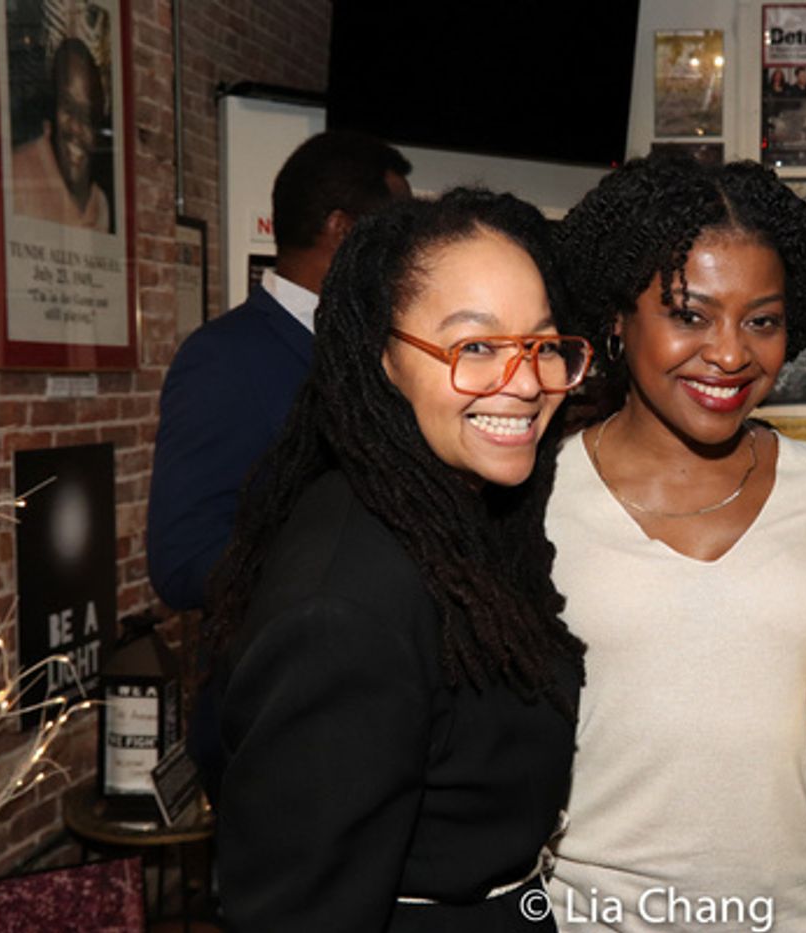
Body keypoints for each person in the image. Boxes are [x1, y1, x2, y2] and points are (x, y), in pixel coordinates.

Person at [208, 190, 591, 931]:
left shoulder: (457, 516)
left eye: (541, 344)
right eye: (475, 346)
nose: (524, 380)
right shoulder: (342, 610)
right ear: (381, 356)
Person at [545, 153, 806, 932]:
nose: (730, 354)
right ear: (617, 319)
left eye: (760, 320)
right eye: (689, 314)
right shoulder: (536, 503)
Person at [148, 131, 411, 613]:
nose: (410, 256)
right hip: (283, 676)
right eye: (398, 233)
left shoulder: (389, 347)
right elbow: (182, 564)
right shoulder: (222, 359)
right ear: (344, 231)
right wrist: (349, 562)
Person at [11, 37, 110, 231]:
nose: (76, 128)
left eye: (87, 118)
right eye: (68, 109)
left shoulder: (100, 205)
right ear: (52, 107)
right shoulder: (16, 178)